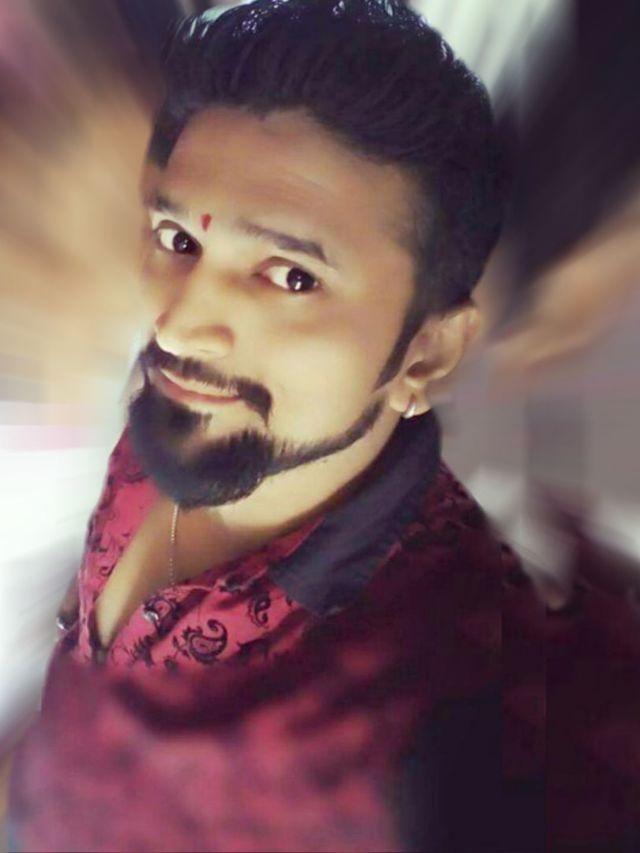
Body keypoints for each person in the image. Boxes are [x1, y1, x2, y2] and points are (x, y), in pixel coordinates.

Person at [4, 2, 638, 851]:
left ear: (428, 353)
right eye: (178, 237)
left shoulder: (443, 719)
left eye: (292, 277)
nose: (179, 325)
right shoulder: (198, 409)